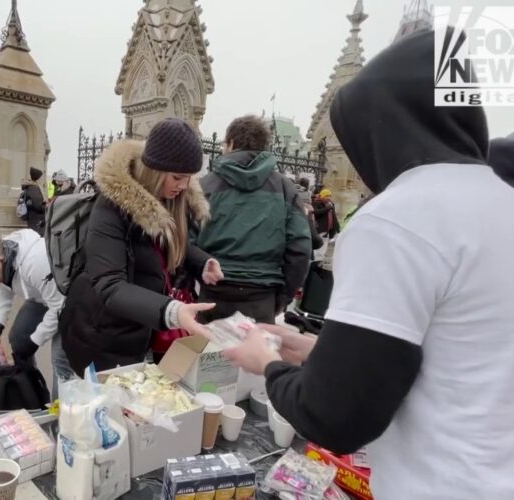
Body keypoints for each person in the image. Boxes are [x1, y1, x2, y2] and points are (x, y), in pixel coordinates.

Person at [223, 30, 514, 499]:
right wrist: (322, 350)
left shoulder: (401, 215)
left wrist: (269, 365)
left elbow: (335, 415)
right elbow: (450, 360)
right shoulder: (501, 199)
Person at [60, 118, 222, 373]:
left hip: (138, 330)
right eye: (178, 177)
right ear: (155, 171)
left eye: (189, 178)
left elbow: (165, 242)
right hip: (99, 333)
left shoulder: (168, 197)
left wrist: (201, 262)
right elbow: (109, 284)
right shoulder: (111, 206)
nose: (183, 186)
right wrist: (170, 310)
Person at [194, 115, 311, 324]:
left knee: (206, 354)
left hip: (213, 290)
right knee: (256, 356)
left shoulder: (205, 185)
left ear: (230, 143)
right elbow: (300, 247)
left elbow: (185, 241)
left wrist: (190, 278)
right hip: (261, 296)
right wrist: (285, 295)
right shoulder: (285, 188)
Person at [0, 230, 74, 397]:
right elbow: (3, 291)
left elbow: (59, 307)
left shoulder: (36, 263)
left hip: (69, 302)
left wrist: (35, 340)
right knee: (18, 338)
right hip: (41, 297)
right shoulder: (2, 258)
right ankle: (33, 391)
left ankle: (60, 416)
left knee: (60, 360)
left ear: (1, 260)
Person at [21, 167, 47, 235]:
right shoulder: (34, 189)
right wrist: (47, 206)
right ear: (37, 178)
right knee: (37, 238)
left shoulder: (32, 187)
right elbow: (38, 206)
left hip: (34, 219)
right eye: (41, 177)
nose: (42, 179)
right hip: (37, 220)